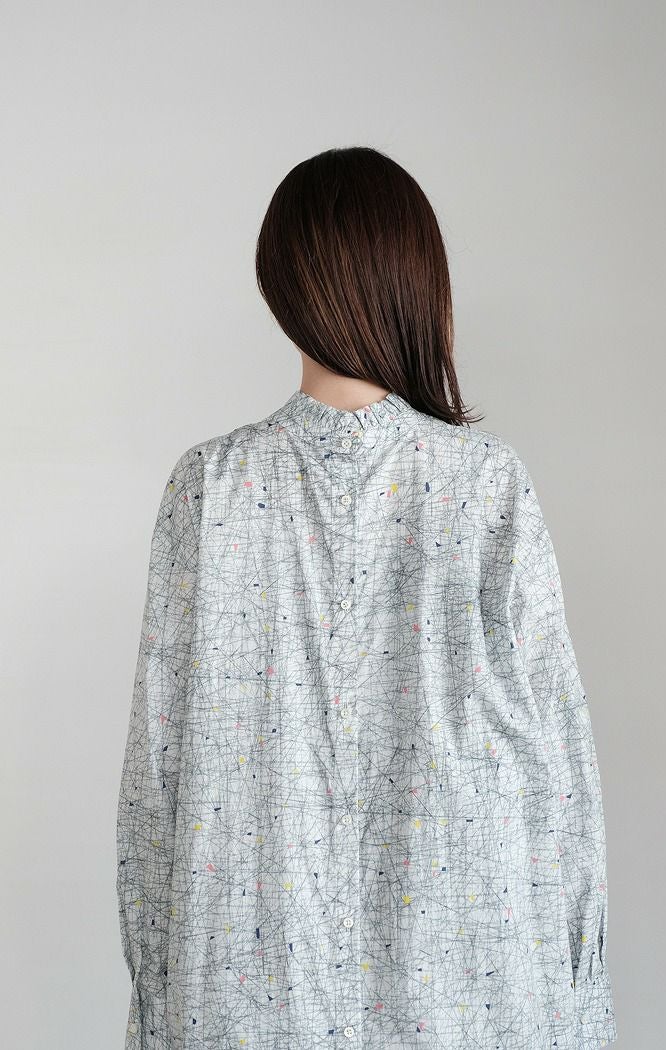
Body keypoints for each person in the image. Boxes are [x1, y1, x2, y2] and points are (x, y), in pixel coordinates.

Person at [116, 146, 617, 1049]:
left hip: (243, 999)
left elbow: (157, 780)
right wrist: (582, 1004)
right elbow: (560, 769)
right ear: (419, 282)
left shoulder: (210, 487)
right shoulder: (486, 484)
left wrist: (156, 1004)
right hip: (469, 993)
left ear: (281, 282)